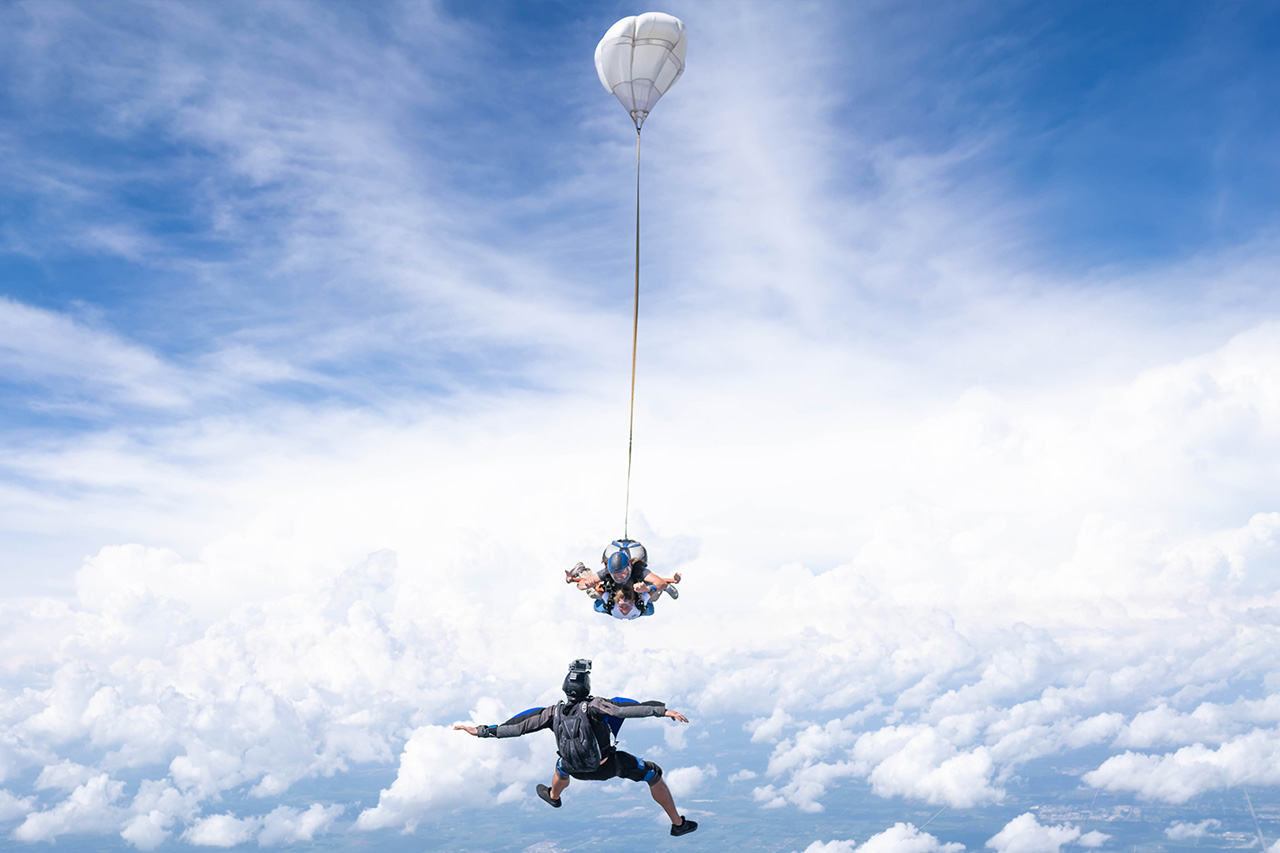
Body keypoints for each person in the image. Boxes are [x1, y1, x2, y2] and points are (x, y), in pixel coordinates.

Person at [454, 659, 699, 837]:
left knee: (561, 764)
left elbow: (518, 728)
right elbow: (625, 711)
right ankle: (678, 825)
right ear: (588, 687)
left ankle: (554, 796)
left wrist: (481, 731)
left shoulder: (552, 712)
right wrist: (663, 711)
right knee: (652, 773)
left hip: (573, 768)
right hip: (607, 767)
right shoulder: (596, 706)